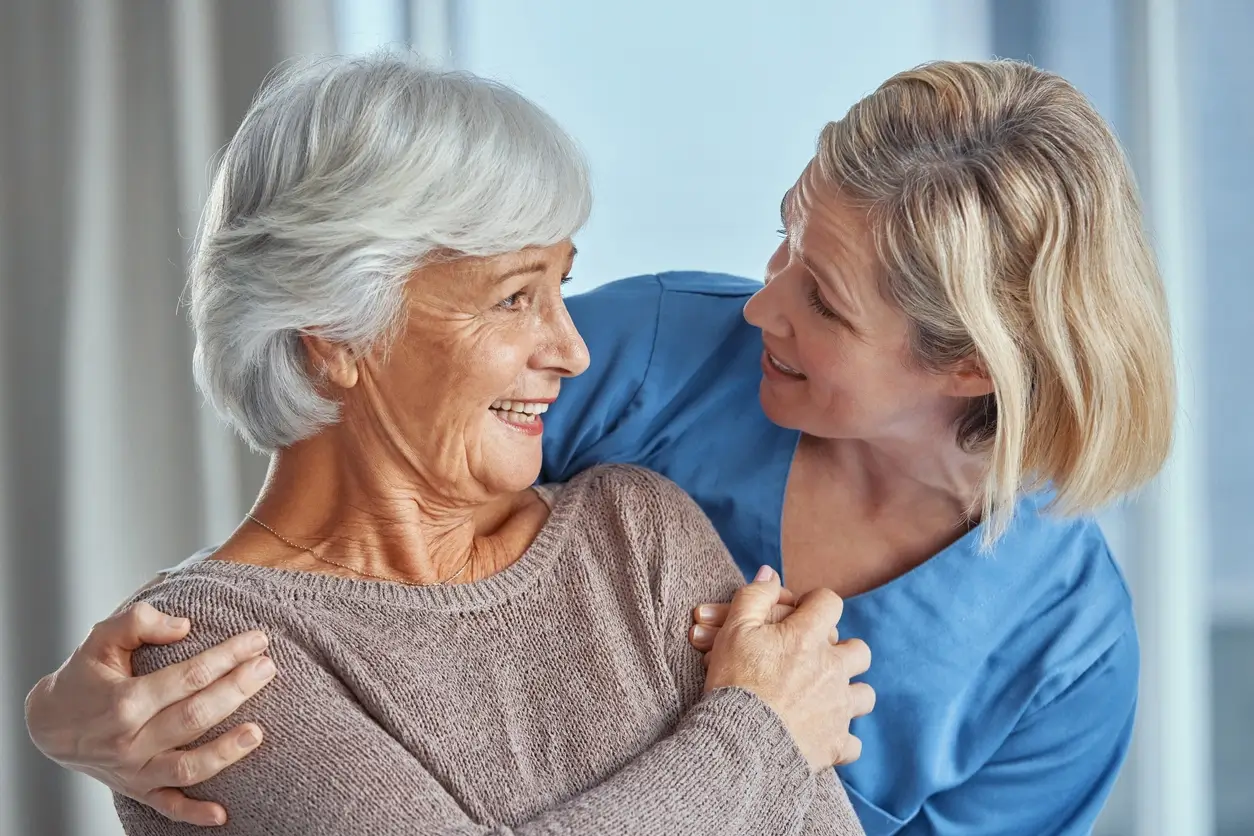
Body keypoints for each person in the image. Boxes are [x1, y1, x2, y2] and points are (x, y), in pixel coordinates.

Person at [27, 58, 1174, 835]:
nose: (760, 306)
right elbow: (360, 500)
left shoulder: (638, 521)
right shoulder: (662, 362)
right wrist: (758, 733)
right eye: (519, 296)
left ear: (969, 365)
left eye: (823, 299)